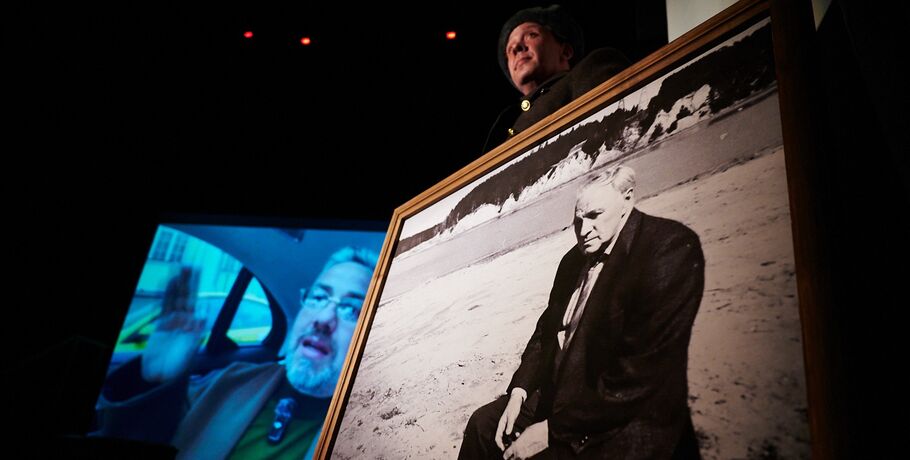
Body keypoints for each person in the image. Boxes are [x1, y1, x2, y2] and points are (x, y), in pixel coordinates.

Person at [458, 165, 705, 459]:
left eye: (595, 216)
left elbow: (638, 379)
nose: (584, 230)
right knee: (482, 426)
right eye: (578, 220)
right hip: (558, 394)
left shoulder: (668, 249)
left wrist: (552, 430)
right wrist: (519, 392)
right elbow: (546, 332)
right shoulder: (572, 261)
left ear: (627, 199)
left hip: (619, 415)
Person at [94, 246, 379, 460]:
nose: (324, 318)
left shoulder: (374, 432)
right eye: (318, 297)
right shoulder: (230, 381)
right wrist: (153, 380)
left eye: (352, 309)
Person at [483, 4, 631, 153]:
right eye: (509, 49)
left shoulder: (589, 70)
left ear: (565, 51)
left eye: (531, 35)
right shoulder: (504, 123)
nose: (516, 48)